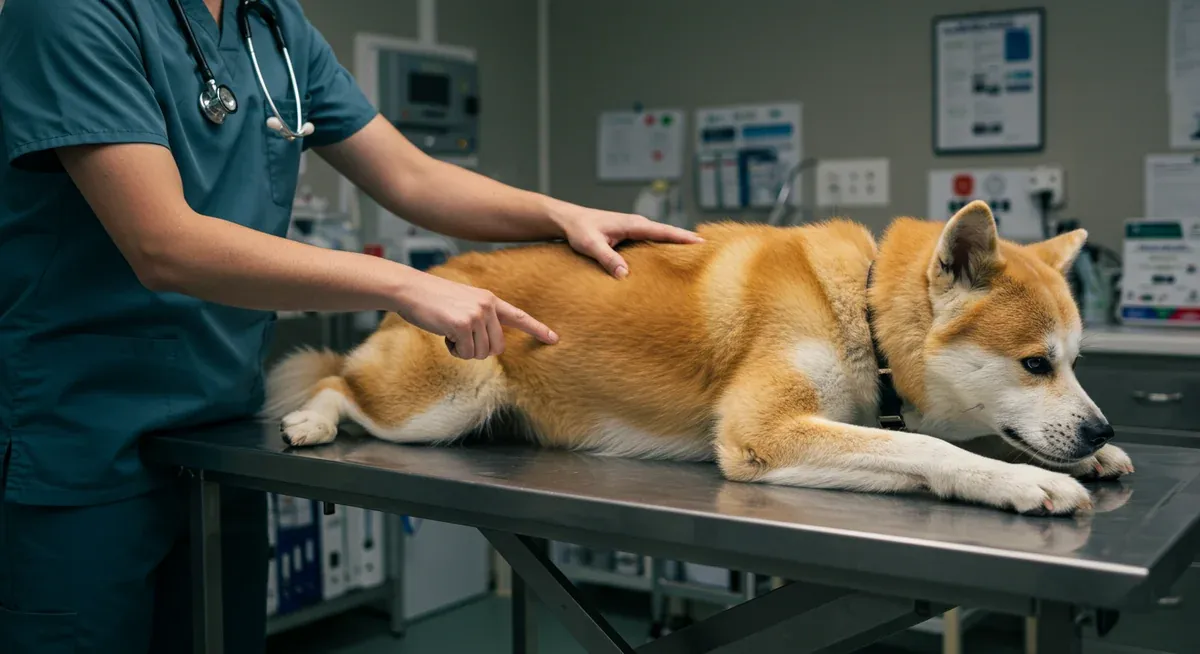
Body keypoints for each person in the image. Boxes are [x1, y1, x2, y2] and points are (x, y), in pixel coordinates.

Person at [0, 0, 701, 652]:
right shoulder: (70, 12)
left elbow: (412, 178)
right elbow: (163, 244)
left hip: (217, 433)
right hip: (79, 441)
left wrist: (561, 215)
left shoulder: (268, 22)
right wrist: (403, 282)